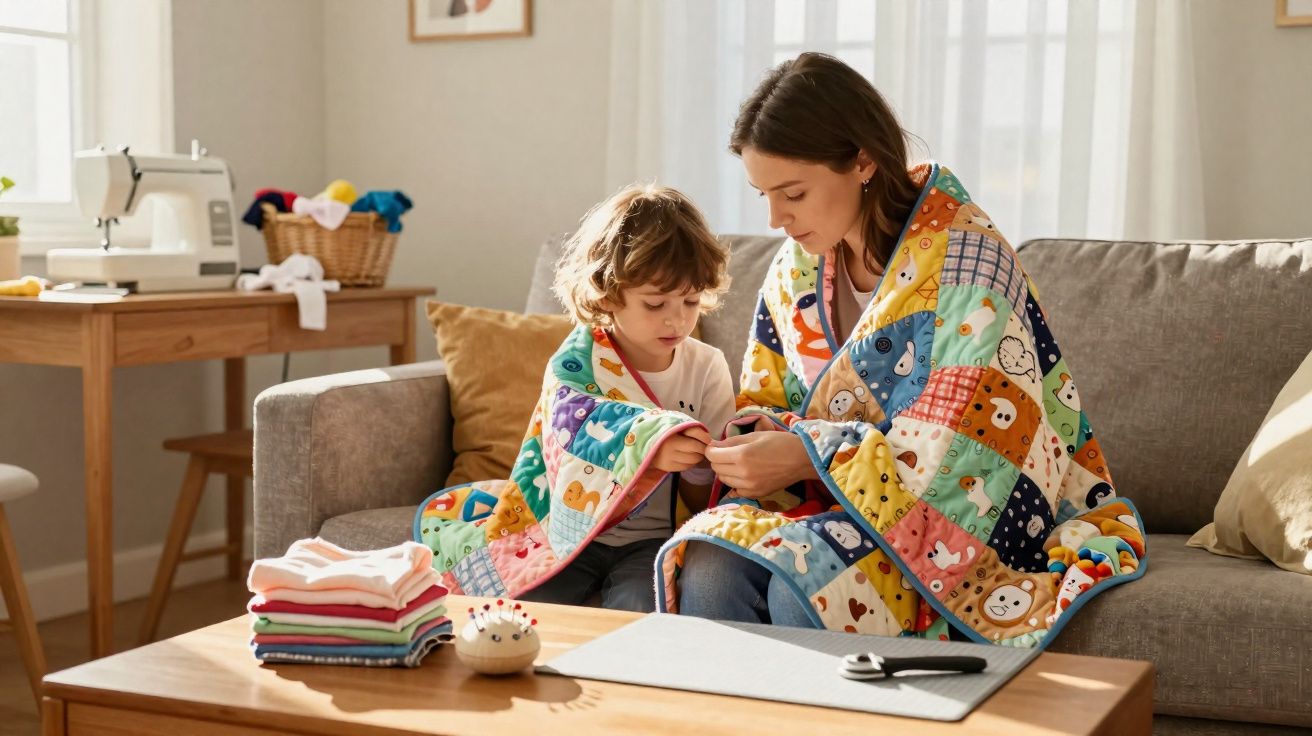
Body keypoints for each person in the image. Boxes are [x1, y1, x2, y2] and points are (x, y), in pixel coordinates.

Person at [663, 53, 1144, 646]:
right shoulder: (794, 270)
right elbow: (769, 397)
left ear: (862, 160)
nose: (775, 218)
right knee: (710, 570)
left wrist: (807, 455)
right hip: (823, 504)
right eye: (762, 194)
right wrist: (745, 447)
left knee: (808, 589)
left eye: (792, 192)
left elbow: (967, 446)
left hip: (958, 514)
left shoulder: (968, 256)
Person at [415, 183, 736, 614]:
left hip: (654, 539)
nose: (677, 318)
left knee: (637, 610)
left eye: (691, 300)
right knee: (518, 606)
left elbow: (708, 497)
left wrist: (699, 467)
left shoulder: (706, 366)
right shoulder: (578, 361)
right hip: (567, 532)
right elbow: (564, 445)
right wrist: (647, 447)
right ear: (608, 293)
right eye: (656, 303)